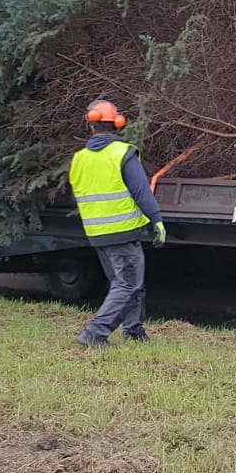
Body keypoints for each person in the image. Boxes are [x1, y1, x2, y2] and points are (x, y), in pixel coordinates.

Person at [69, 99, 166, 349]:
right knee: (128, 284)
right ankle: (95, 333)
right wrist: (156, 219)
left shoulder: (79, 159)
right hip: (122, 231)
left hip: (97, 232)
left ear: (90, 126)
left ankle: (133, 331)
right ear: (119, 125)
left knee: (129, 284)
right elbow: (141, 191)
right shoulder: (123, 153)